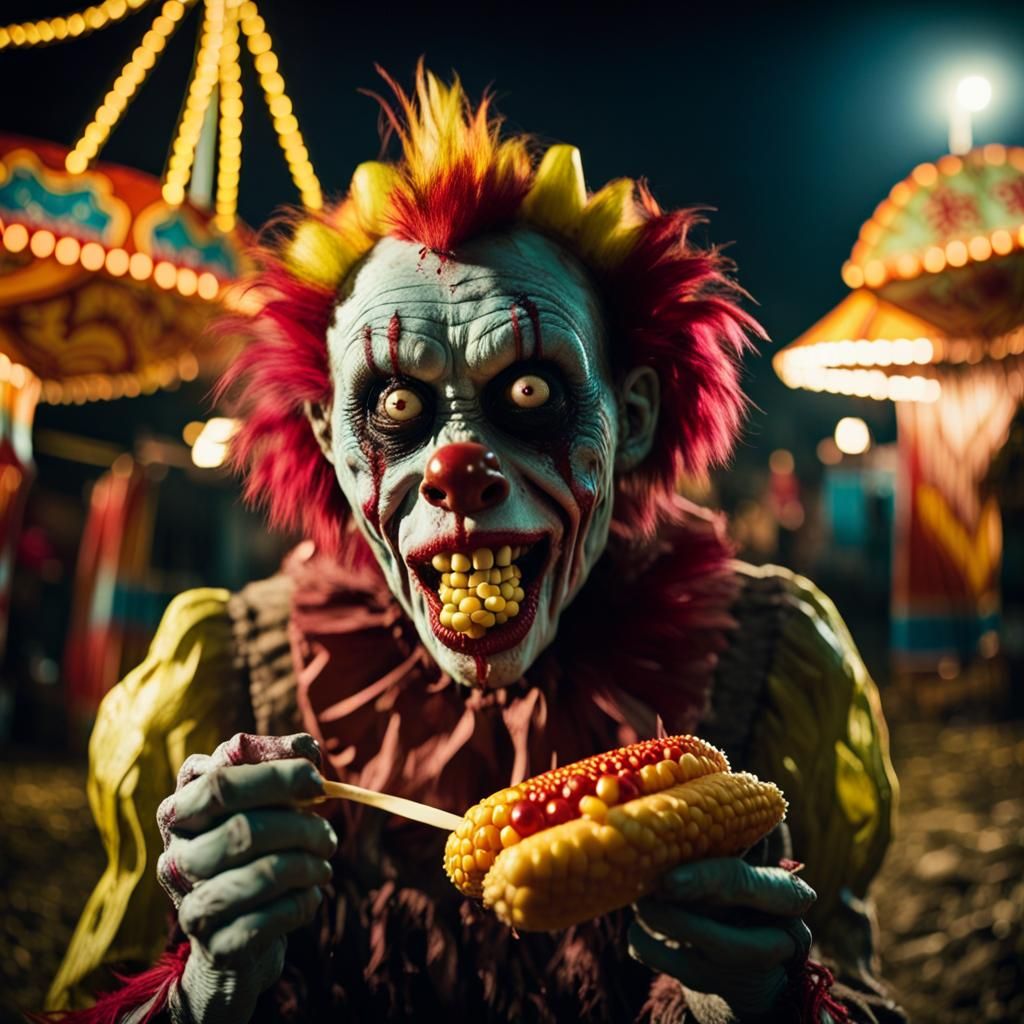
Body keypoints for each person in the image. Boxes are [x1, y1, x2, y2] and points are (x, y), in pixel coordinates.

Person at [47, 65, 904, 1023]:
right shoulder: (223, 677)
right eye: (397, 408)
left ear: (629, 417)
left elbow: (858, 982)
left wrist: (775, 1004)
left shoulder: (770, 662)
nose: (459, 469)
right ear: (330, 439)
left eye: (530, 395)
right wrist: (197, 998)